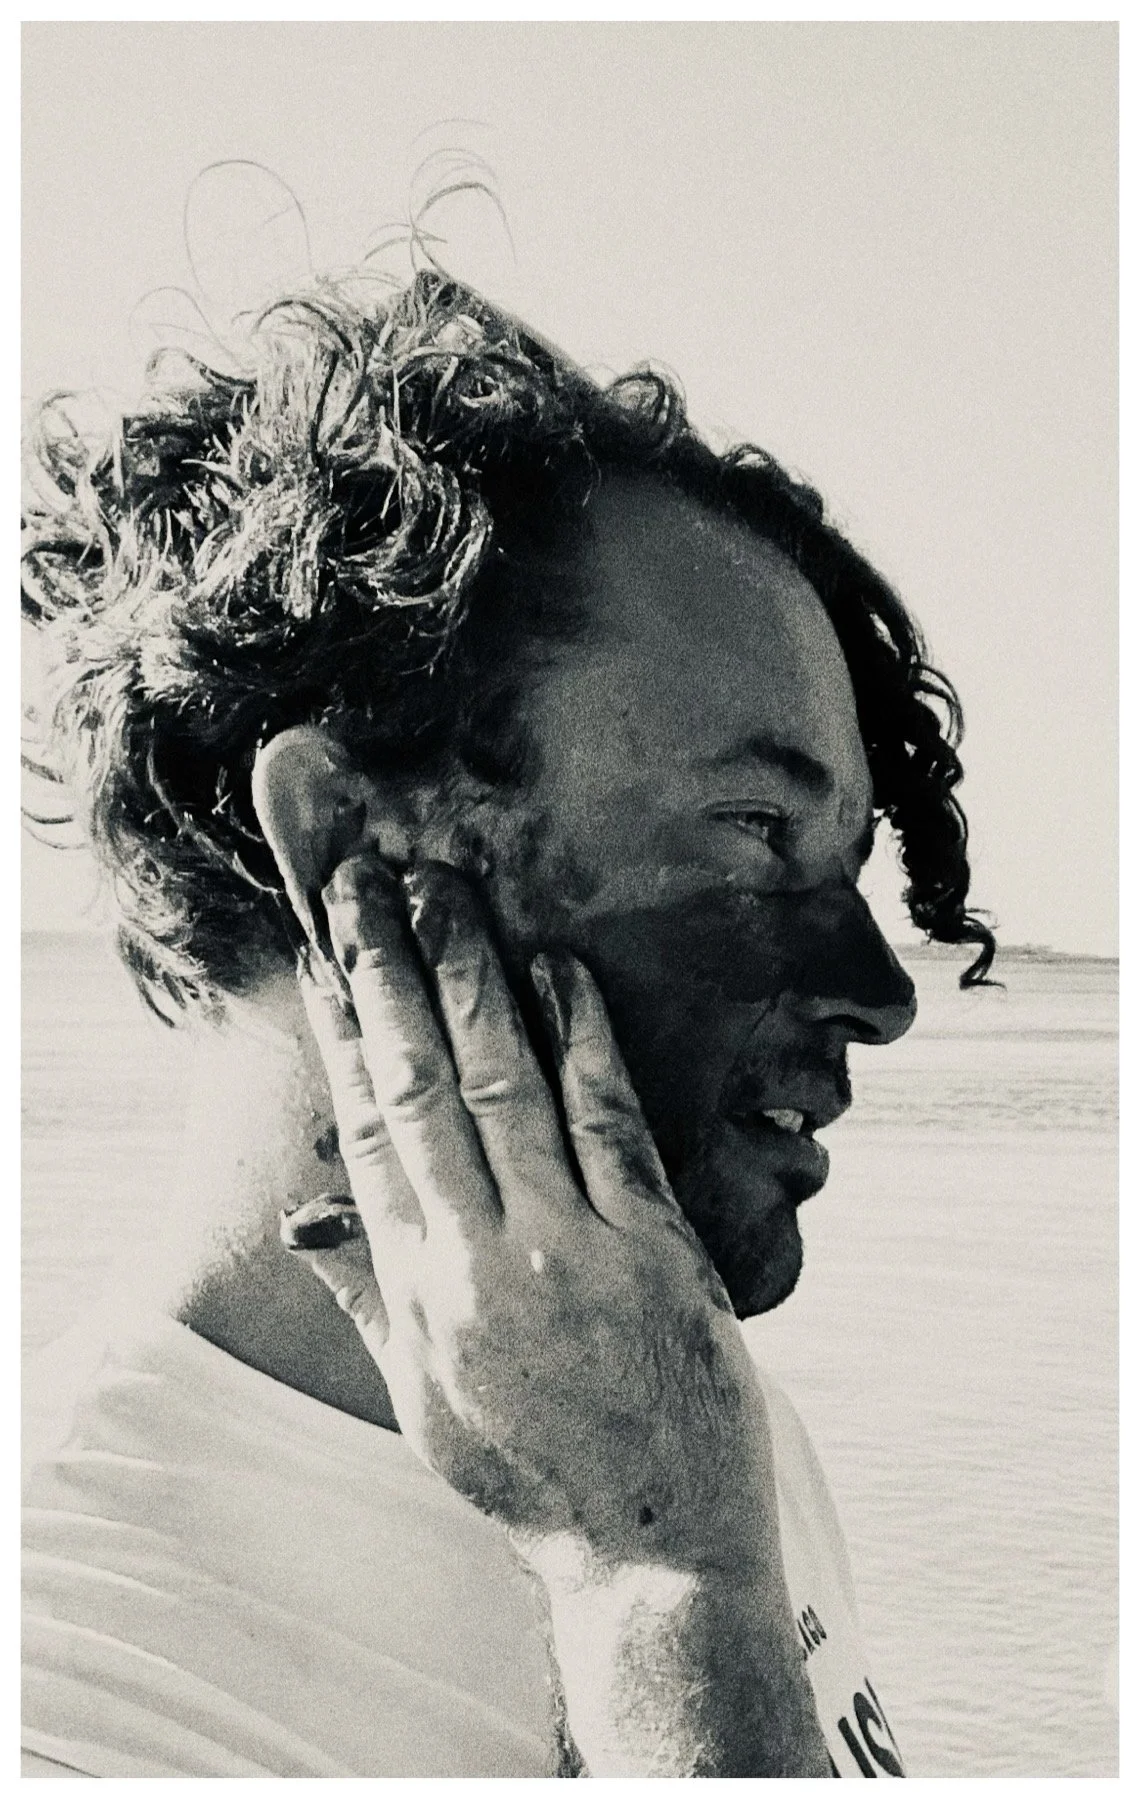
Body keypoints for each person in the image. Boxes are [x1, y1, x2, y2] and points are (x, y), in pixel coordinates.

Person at [21, 269, 994, 1777]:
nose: (881, 989)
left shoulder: (689, 1417)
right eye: (753, 832)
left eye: (851, 864)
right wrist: (658, 1588)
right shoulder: (71, 1671)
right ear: (357, 842)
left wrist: (685, 1528)